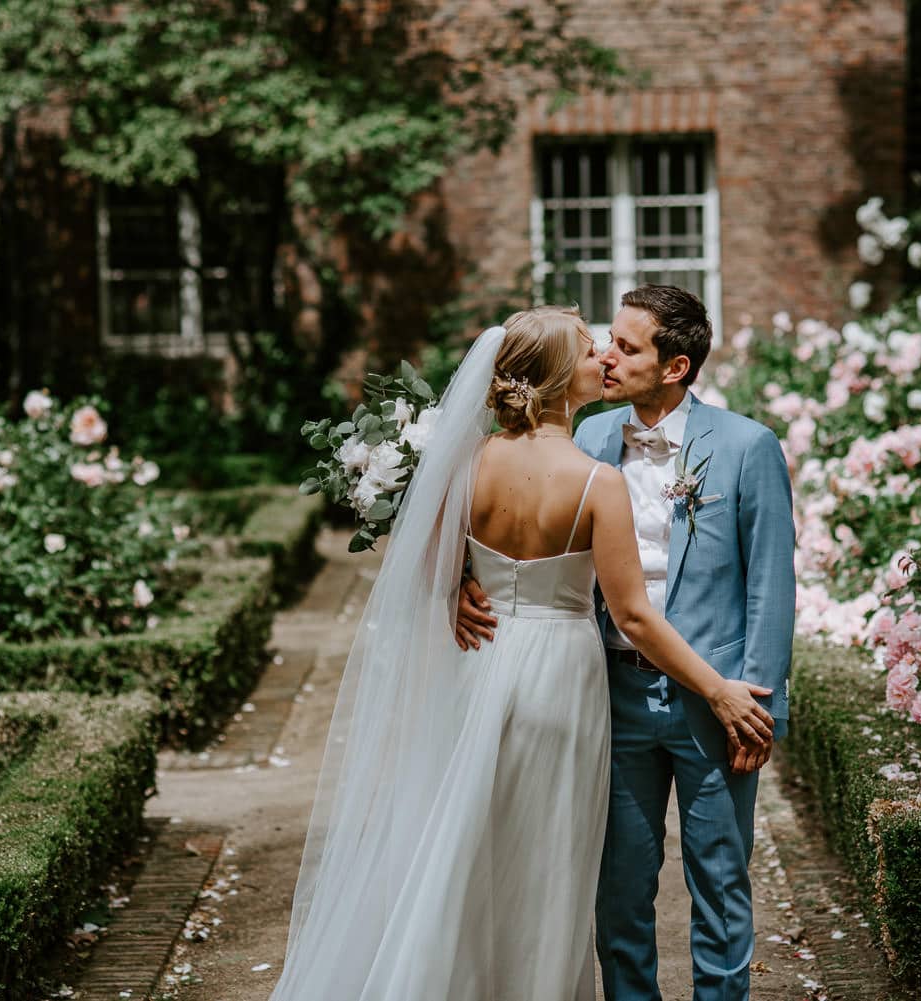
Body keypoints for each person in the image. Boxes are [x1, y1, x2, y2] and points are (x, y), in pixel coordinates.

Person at [270, 304, 774, 1001]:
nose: (605, 356)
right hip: (565, 675)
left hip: (485, 664)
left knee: (469, 844)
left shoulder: (469, 460)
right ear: (562, 379)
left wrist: (459, 589)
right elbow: (630, 613)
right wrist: (719, 688)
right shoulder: (597, 477)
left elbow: (424, 556)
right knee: (551, 863)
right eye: (592, 349)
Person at [457, 286, 796, 1001]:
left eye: (628, 346)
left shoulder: (747, 446)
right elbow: (510, 513)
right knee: (619, 891)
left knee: (721, 886)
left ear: (674, 366)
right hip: (610, 693)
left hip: (720, 700)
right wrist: (464, 579)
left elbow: (770, 587)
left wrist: (759, 707)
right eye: (606, 341)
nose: (608, 356)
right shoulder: (585, 437)